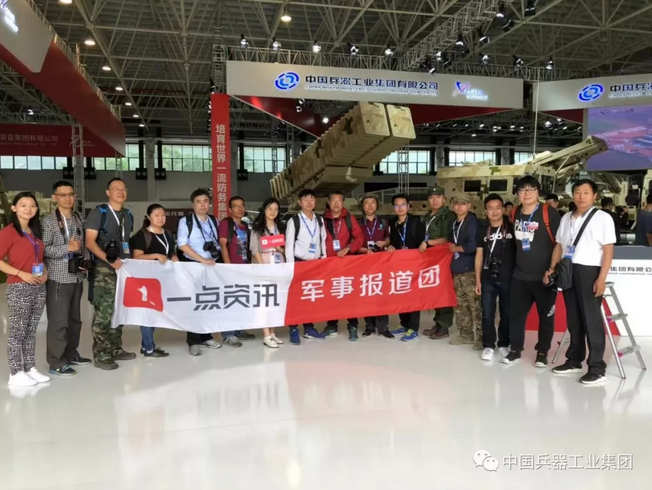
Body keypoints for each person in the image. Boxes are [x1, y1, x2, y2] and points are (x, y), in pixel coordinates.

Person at [547, 179, 616, 385]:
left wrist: (601, 278)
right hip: (568, 270)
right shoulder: (566, 217)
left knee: (591, 320)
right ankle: (574, 360)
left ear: (594, 196)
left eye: (586, 192)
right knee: (574, 318)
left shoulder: (603, 218)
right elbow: (559, 246)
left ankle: (597, 368)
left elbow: (608, 251)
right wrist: (552, 268)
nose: (581, 196)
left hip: (589, 271)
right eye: (577, 192)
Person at [502, 175, 561, 367]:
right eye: (522, 190)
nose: (527, 193)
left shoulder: (549, 213)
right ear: (517, 193)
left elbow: (560, 243)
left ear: (538, 192)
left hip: (543, 276)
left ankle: (542, 352)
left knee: (546, 317)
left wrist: (552, 269)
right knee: (516, 316)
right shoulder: (515, 213)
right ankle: (515, 349)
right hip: (520, 275)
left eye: (531, 189)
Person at [85, 178, 137, 370]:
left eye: (124, 188)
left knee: (119, 309)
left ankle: (115, 348)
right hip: (104, 270)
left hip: (123, 269)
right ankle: (101, 354)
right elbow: (90, 242)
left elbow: (126, 241)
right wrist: (109, 260)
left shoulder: (128, 214)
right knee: (104, 312)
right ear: (108, 192)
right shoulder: (99, 212)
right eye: (116, 189)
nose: (120, 192)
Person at [41, 181, 92, 377]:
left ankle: (71, 353)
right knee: (59, 321)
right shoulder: (48, 221)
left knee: (74, 320)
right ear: (55, 197)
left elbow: (83, 246)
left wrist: (85, 261)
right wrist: (66, 248)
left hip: (77, 276)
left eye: (71, 194)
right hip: (59, 278)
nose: (67, 198)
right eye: (62, 195)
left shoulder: (79, 218)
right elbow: (44, 249)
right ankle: (56, 362)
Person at [0, 192, 50, 387]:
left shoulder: (35, 232)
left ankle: (30, 367)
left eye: (32, 205)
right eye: (23, 205)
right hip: (19, 286)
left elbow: (39, 258)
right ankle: (15, 372)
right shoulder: (8, 232)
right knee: (18, 331)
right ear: (14, 208)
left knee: (31, 330)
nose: (28, 209)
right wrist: (21, 274)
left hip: (38, 286)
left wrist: (44, 272)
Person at [176, 188, 224, 355]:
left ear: (209, 203)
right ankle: (193, 340)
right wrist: (201, 259)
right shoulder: (186, 221)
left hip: (211, 266)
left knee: (208, 302)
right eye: (198, 202)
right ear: (193, 205)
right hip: (193, 266)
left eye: (205, 201)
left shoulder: (213, 220)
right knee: (194, 304)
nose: (203, 205)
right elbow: (182, 245)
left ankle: (206, 336)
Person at [131, 204, 176, 358]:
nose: (160, 218)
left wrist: (174, 256)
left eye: (163, 215)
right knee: (147, 313)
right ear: (149, 217)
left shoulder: (168, 233)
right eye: (156, 215)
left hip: (163, 279)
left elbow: (170, 252)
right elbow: (137, 257)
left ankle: (146, 345)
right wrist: (155, 255)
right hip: (147, 280)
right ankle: (149, 348)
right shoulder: (142, 235)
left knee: (155, 312)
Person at [285, 189, 328, 345]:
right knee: (296, 299)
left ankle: (309, 328)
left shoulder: (320, 220)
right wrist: (291, 267)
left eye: (312, 199)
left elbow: (322, 241)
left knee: (310, 297)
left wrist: (323, 261)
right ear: (299, 202)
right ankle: (293, 329)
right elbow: (289, 245)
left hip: (315, 265)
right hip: (299, 264)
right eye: (305, 199)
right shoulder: (294, 221)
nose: (309, 202)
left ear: (315, 202)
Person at [475, 194, 514, 361]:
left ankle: (504, 344)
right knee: (487, 313)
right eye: (490, 208)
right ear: (485, 211)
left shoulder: (511, 228)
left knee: (506, 313)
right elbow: (479, 255)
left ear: (503, 209)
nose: (495, 211)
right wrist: (478, 280)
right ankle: (488, 345)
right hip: (487, 278)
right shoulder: (482, 230)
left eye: (498, 208)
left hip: (508, 277)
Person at [322, 191, 364, 341]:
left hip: (346, 264)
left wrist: (348, 248)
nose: (336, 203)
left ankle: (352, 325)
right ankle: (331, 324)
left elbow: (359, 237)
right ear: (328, 202)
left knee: (349, 294)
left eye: (339, 200)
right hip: (328, 264)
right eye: (333, 200)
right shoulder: (322, 220)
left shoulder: (349, 219)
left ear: (343, 203)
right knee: (331, 294)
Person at [417, 186, 455, 340]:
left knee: (444, 291)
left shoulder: (448, 216)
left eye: (438, 197)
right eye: (432, 197)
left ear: (444, 199)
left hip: (443, 259)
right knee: (435, 291)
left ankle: (444, 326)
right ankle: (438, 323)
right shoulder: (427, 216)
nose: (435, 200)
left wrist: (428, 242)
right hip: (431, 260)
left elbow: (447, 238)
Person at [387, 193, 426, 342]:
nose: (400, 208)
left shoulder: (416, 223)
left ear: (408, 206)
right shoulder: (392, 223)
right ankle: (404, 324)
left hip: (414, 265)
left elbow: (423, 243)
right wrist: (391, 246)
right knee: (401, 295)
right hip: (398, 266)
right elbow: (392, 241)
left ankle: (413, 328)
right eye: (397, 205)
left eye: (403, 205)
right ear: (393, 208)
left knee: (413, 296)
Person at [219, 196, 256, 345]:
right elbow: (223, 245)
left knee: (241, 300)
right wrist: (228, 267)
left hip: (244, 269)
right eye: (236, 206)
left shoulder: (245, 226)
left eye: (242, 206)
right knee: (230, 301)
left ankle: (239, 330)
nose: (240, 209)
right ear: (230, 209)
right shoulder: (226, 223)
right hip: (231, 269)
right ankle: (228, 334)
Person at [250, 197, 286, 349]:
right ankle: (266, 334)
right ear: (264, 210)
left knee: (276, 301)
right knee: (265, 302)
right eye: (270, 208)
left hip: (278, 266)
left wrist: (280, 249)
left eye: (276, 209)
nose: (273, 212)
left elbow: (285, 249)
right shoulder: (257, 229)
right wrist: (263, 268)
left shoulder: (280, 228)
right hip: (264, 267)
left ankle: (272, 332)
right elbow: (255, 250)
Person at [448, 194, 482, 349]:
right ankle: (466, 334)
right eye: (456, 203)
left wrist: (456, 248)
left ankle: (481, 337)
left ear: (469, 205)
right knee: (461, 305)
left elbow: (472, 246)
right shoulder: (454, 223)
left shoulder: (472, 222)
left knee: (475, 306)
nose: (459, 206)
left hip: (470, 271)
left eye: (463, 204)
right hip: (458, 269)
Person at [357, 193, 393, 339]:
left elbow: (388, 238)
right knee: (367, 293)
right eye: (367, 202)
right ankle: (369, 326)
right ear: (362, 206)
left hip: (381, 262)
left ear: (377, 205)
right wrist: (364, 250)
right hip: (364, 262)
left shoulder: (384, 221)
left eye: (373, 202)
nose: (370, 205)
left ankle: (383, 327)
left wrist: (384, 243)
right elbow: (354, 243)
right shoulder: (357, 223)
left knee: (382, 293)